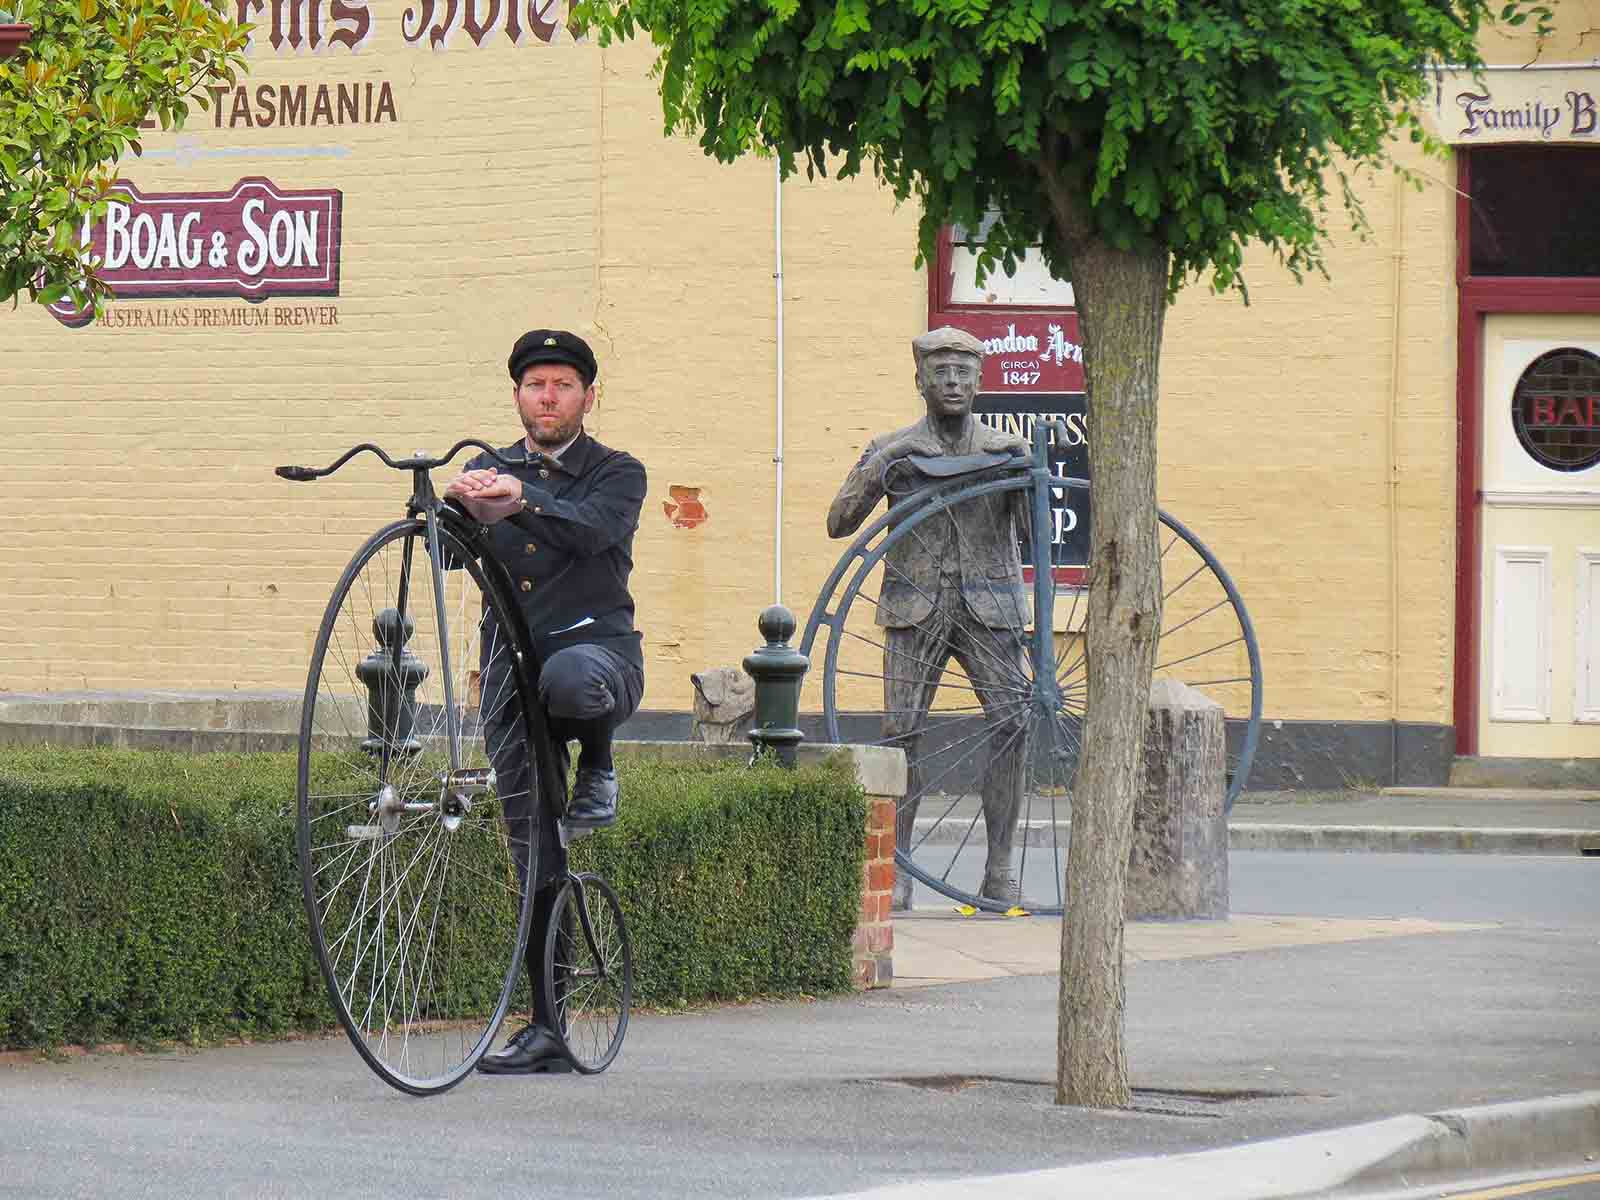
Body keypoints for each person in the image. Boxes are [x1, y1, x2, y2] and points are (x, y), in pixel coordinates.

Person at [444, 328, 646, 1074]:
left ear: (588, 398)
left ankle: (600, 766)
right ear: (518, 396)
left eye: (564, 385)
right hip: (509, 674)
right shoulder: (488, 467)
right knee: (536, 851)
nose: (549, 397)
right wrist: (453, 503)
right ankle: (548, 1024)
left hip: (597, 659)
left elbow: (595, 534)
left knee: (569, 676)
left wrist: (521, 498)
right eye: (536, 385)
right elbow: (442, 553)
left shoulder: (617, 471)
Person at [826, 326, 1030, 910]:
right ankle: (901, 864)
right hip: (915, 605)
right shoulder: (894, 447)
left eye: (963, 372)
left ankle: (998, 869)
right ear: (919, 381)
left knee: (1012, 723)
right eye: (939, 372)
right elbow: (839, 521)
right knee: (901, 732)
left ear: (980, 381)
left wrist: (1025, 477)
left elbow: (1031, 536)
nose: (951, 382)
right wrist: (884, 463)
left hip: (990, 604)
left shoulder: (1002, 449)